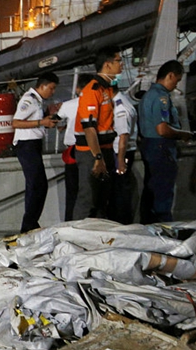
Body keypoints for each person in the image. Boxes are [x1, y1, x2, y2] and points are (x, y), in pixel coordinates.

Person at [138, 60, 191, 224]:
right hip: (161, 147)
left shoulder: (148, 95)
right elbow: (162, 129)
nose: (176, 85)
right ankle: (164, 228)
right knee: (163, 192)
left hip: (149, 145)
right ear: (170, 75)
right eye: (177, 80)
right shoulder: (161, 97)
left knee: (151, 192)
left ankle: (149, 227)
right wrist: (182, 134)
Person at [74, 46, 123, 221]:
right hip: (91, 152)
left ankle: (100, 233)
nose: (121, 64)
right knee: (88, 199)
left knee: (102, 200)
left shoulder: (106, 89)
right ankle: (77, 233)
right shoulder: (92, 90)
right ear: (107, 65)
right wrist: (98, 157)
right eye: (118, 61)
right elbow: (89, 128)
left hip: (104, 149)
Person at [12, 72, 60, 233]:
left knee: (36, 185)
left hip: (33, 144)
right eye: (51, 88)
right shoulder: (29, 100)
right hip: (27, 145)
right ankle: (28, 224)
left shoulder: (37, 101)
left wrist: (46, 119)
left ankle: (31, 222)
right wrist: (41, 122)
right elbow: (16, 123)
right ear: (43, 86)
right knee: (38, 185)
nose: (52, 92)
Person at [57, 74, 94, 221]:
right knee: (89, 189)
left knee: (72, 189)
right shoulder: (96, 104)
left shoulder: (68, 105)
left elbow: (57, 121)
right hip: (91, 149)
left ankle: (70, 221)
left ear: (78, 88)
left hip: (72, 150)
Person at [111, 89, 138, 224]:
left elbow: (123, 136)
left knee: (120, 190)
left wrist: (120, 161)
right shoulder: (123, 101)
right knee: (119, 189)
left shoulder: (120, 108)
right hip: (122, 152)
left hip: (120, 152)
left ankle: (122, 222)